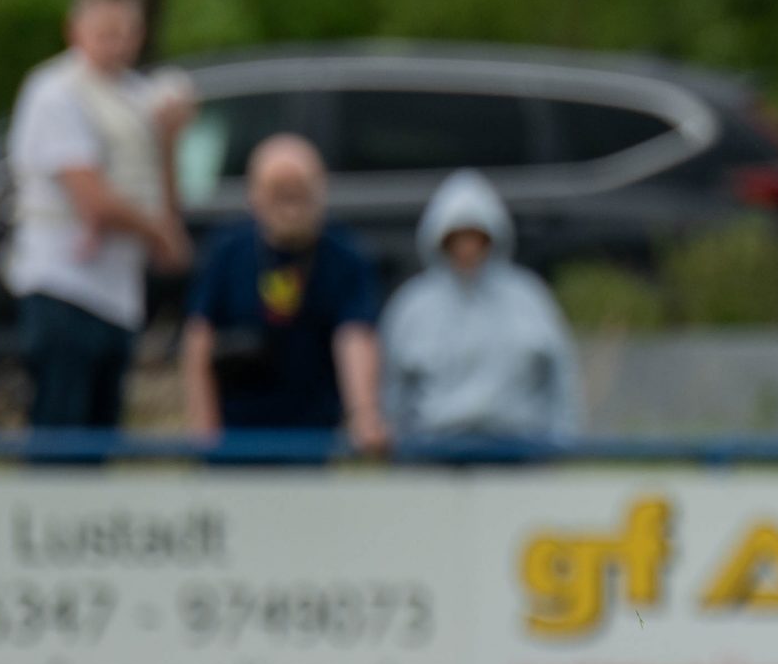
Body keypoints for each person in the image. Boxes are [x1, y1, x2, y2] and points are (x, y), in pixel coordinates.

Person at [3, 0, 194, 432]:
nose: (118, 45)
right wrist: (161, 234)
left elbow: (157, 189)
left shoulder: (137, 95)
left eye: (127, 33)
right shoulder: (54, 91)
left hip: (119, 294)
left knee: (101, 435)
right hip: (64, 286)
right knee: (62, 433)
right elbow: (93, 199)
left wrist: (169, 143)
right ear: (75, 30)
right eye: (106, 33)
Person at [181, 135, 385, 453]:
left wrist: (364, 415)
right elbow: (199, 337)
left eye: (300, 190)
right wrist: (204, 427)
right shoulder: (227, 251)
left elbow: (355, 336)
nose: (290, 204)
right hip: (233, 438)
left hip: (311, 437)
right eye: (277, 190)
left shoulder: (345, 256)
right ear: (254, 195)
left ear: (321, 191)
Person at [380, 169, 582, 444]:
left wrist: (562, 441)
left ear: (491, 238)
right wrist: (399, 447)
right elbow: (393, 387)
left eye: (475, 237)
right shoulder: (412, 305)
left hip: (518, 449)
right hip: (435, 451)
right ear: (441, 240)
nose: (467, 248)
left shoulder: (528, 298)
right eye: (458, 238)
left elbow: (559, 376)